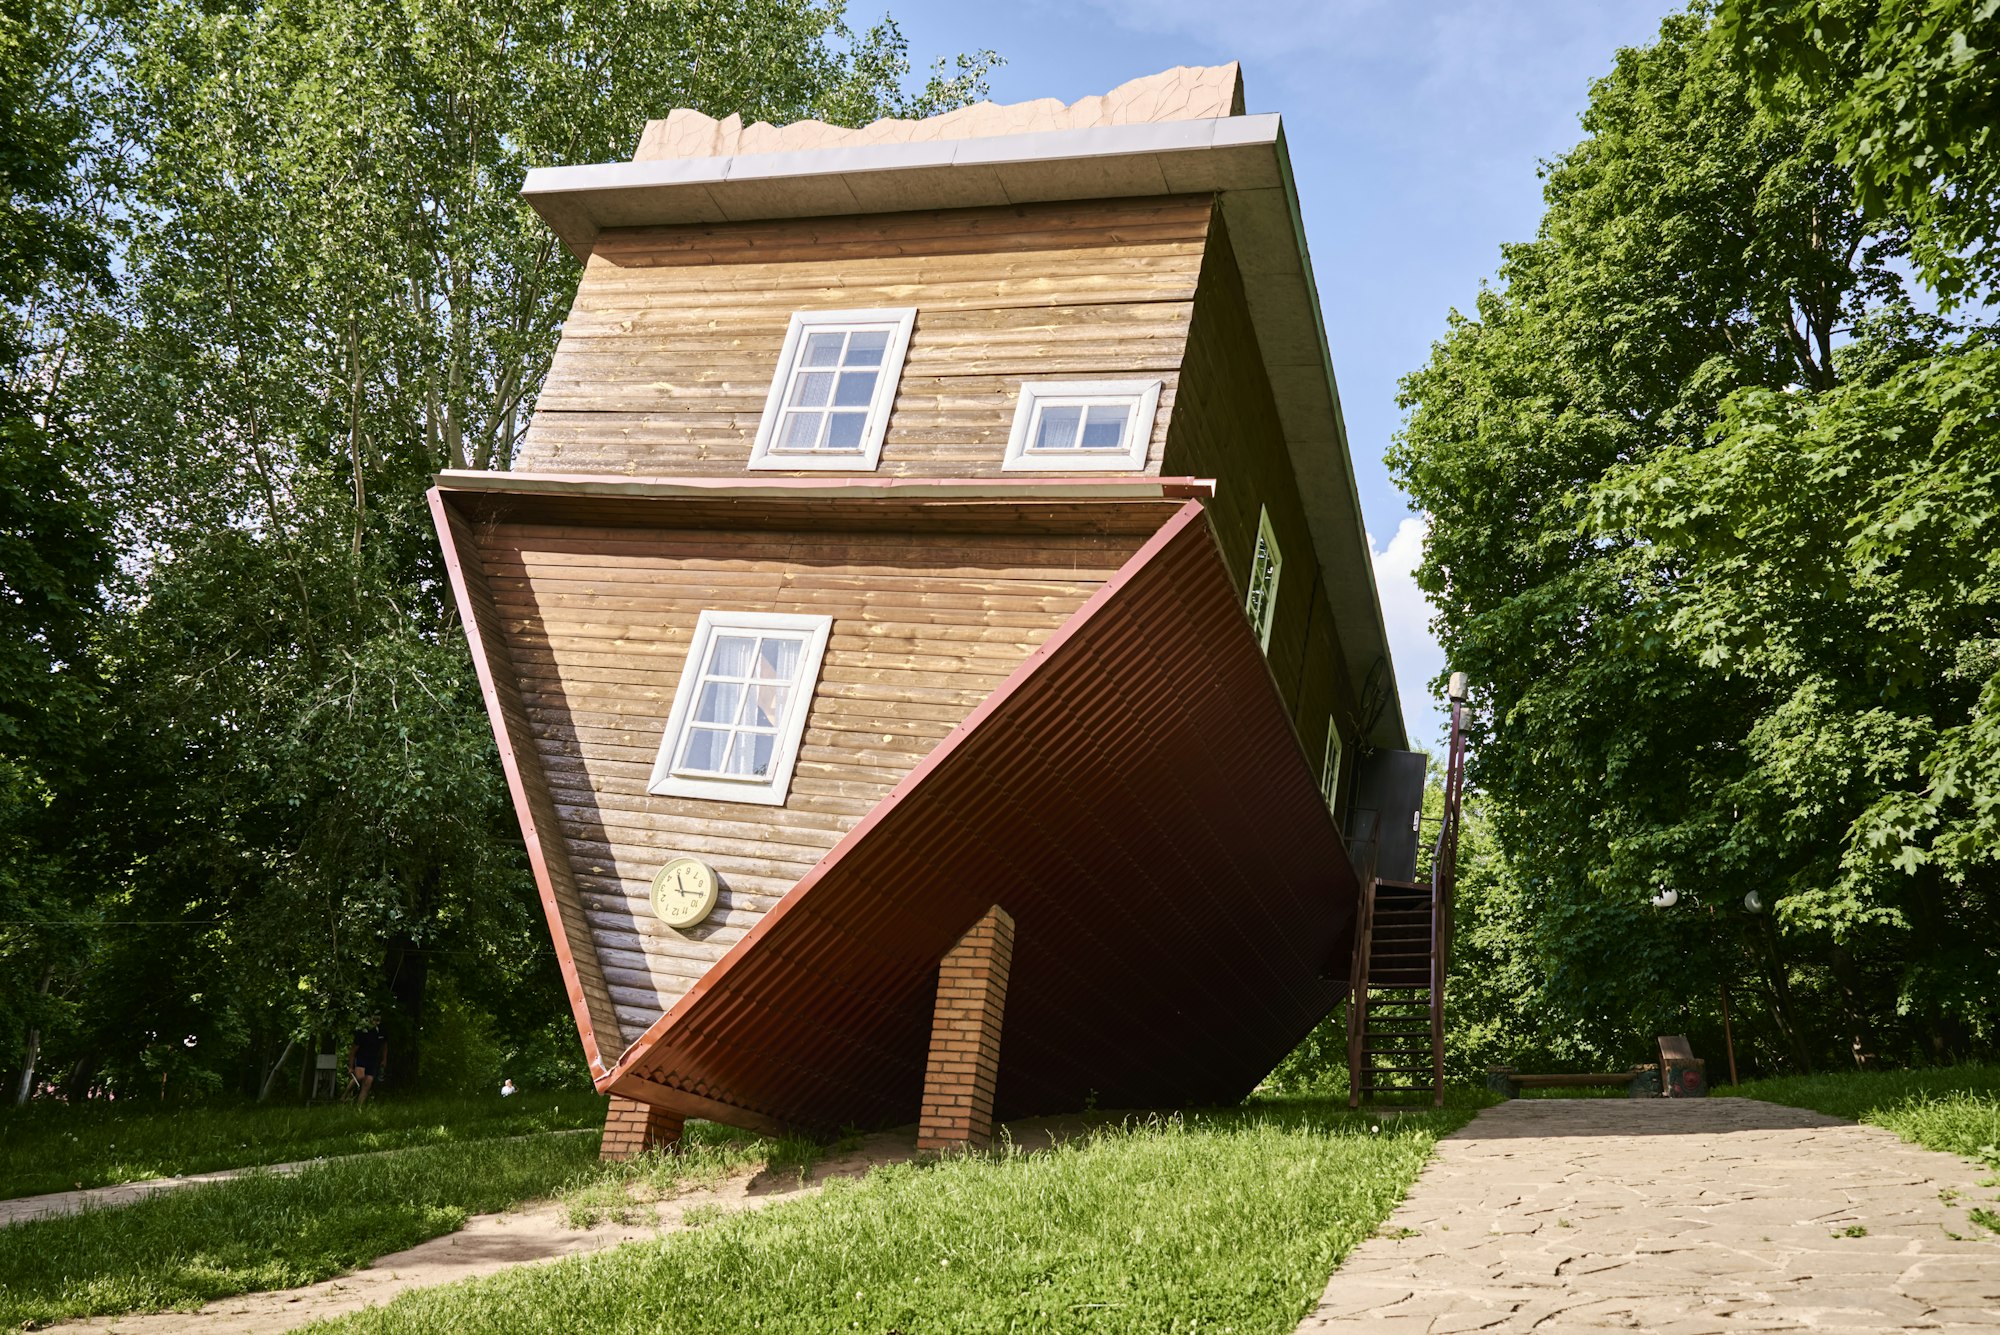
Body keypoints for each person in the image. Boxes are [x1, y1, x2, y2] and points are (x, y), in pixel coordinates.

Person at [349, 1018, 386, 1106]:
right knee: (360, 1077)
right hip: (361, 1057)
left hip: (373, 1059)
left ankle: (359, 1106)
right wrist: (351, 1066)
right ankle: (346, 1094)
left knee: (368, 1082)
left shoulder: (382, 1031)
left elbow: (385, 1045)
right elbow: (353, 1050)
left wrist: (384, 1059)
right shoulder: (362, 1031)